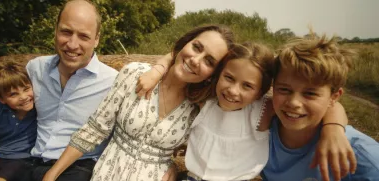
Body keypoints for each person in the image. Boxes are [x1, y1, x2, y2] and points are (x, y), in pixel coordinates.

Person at [137, 42, 354, 181]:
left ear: (261, 91)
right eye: (229, 78)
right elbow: (178, 56)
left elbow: (329, 104)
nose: (233, 91)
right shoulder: (206, 100)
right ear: (218, 74)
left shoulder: (263, 109)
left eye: (247, 86)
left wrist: (333, 130)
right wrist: (157, 70)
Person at [42, 24, 235, 181]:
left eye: (209, 61)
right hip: (108, 174)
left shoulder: (200, 107)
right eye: (197, 47)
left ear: (213, 75)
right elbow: (95, 129)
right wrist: (52, 175)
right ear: (186, 43)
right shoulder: (135, 73)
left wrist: (175, 168)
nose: (195, 60)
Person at [261, 33, 379, 180]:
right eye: (284, 90)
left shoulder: (363, 158)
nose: (293, 102)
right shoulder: (262, 132)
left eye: (310, 93)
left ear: (334, 97)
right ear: (273, 87)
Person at [23, 0, 118, 180]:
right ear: (56, 31)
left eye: (83, 36)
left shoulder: (113, 82)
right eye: (66, 32)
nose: (72, 44)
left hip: (80, 168)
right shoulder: (35, 69)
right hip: (30, 163)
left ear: (96, 39)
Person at [0, 60, 37, 181]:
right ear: (1, 99)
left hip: (24, 160)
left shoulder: (40, 106)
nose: (23, 97)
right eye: (13, 94)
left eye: (26, 89)